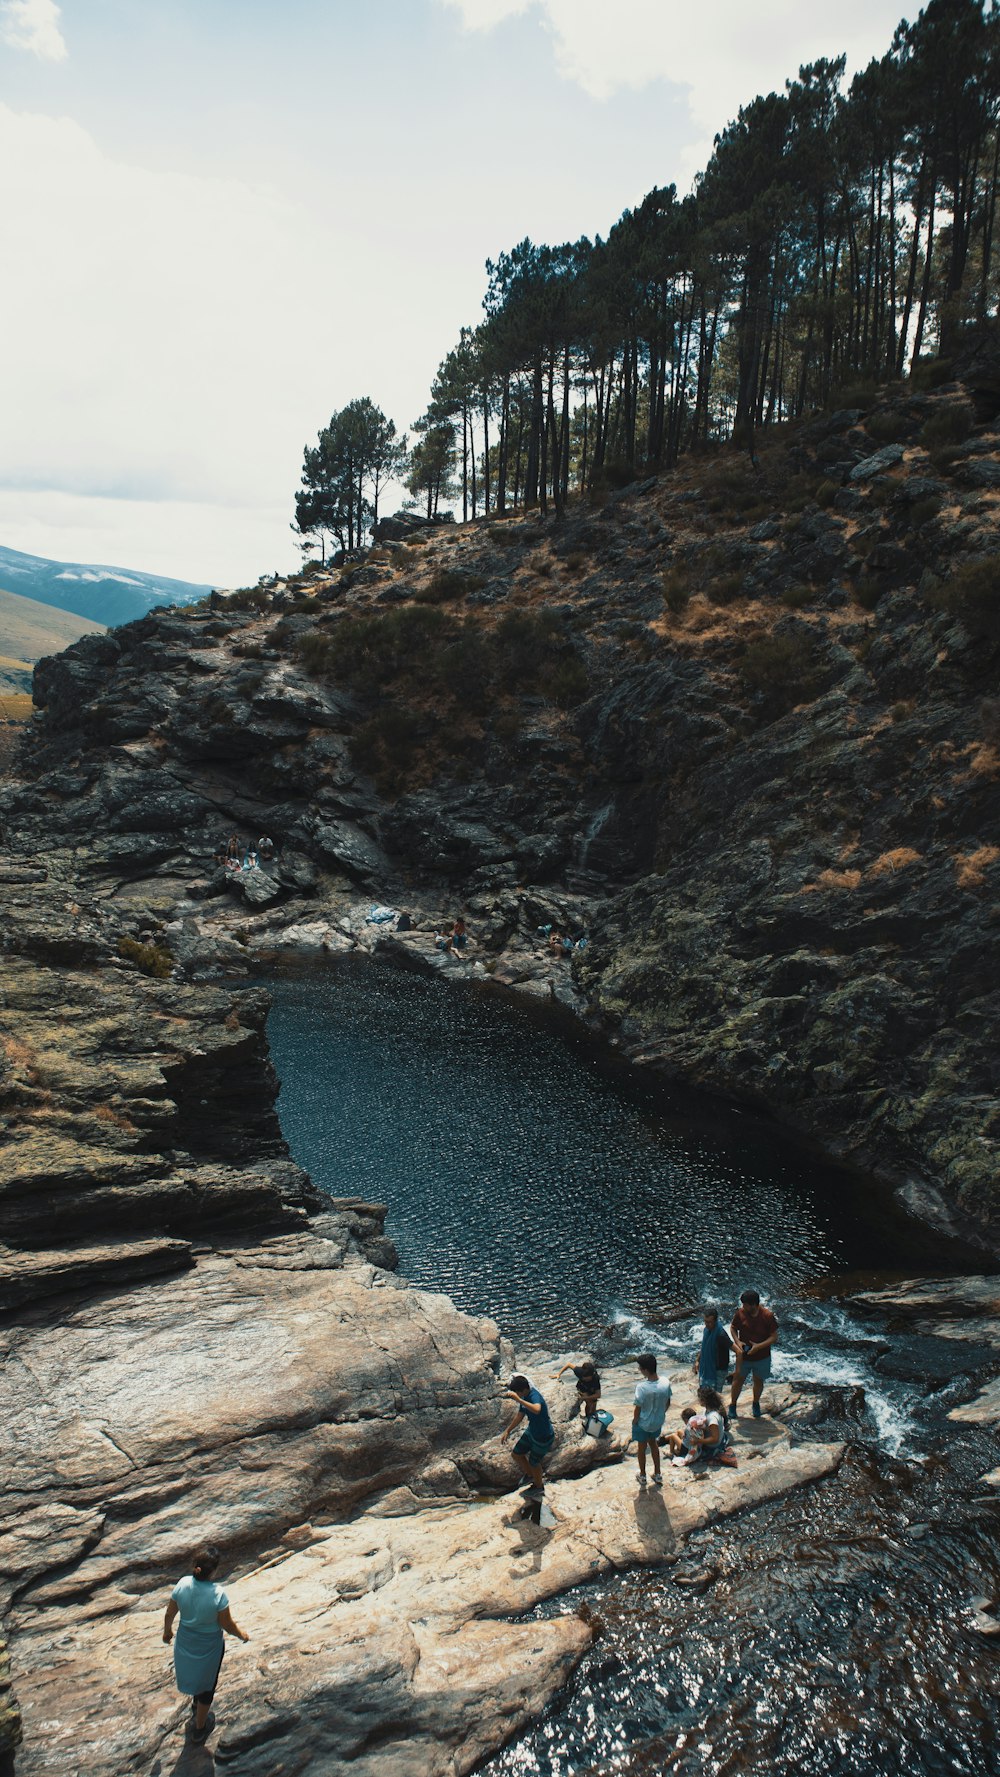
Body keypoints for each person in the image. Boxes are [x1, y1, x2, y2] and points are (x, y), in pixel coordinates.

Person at [162, 1545, 249, 1743]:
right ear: (214, 1571)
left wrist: (167, 1631)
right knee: (207, 1686)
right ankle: (199, 1728)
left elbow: (170, 1613)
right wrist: (241, 1634)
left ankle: (195, 1705)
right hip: (209, 1645)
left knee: (193, 1673)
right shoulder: (218, 1593)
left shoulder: (183, 1584)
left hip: (185, 1640)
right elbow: (226, 1624)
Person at [501, 1374, 555, 1493]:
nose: (517, 1395)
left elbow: (537, 1409)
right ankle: (531, 1476)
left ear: (523, 1390)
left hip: (543, 1436)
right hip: (532, 1431)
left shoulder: (534, 1395)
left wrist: (519, 1399)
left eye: (517, 1393)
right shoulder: (524, 1396)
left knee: (534, 1463)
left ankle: (539, 1487)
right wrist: (508, 1430)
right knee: (516, 1454)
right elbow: (520, 1415)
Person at [730, 1288, 779, 1419]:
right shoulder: (740, 1313)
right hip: (744, 1356)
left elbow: (774, 1337)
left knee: (758, 1380)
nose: (742, 1307)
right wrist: (738, 1342)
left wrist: (758, 1347)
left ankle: (755, 1403)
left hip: (762, 1356)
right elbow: (733, 1328)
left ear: (753, 1305)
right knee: (738, 1380)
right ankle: (733, 1405)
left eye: (745, 1304)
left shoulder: (767, 1316)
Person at [631, 1353, 672, 1487]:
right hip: (657, 1422)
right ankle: (658, 1473)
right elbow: (668, 1401)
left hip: (643, 1423)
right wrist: (661, 1413)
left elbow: (638, 1408)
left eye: (640, 1368)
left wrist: (635, 1420)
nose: (639, 1370)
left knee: (641, 1448)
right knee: (654, 1445)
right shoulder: (665, 1382)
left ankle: (642, 1475)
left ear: (646, 1370)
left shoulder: (641, 1387)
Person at [688, 1386, 735, 1464]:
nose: (698, 1400)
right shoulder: (709, 1410)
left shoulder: (712, 1417)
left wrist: (698, 1441)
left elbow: (715, 1439)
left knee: (684, 1441)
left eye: (699, 1398)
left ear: (704, 1400)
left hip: (712, 1446)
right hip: (716, 1439)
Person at [552, 1358, 601, 1424]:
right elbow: (568, 1365)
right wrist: (558, 1374)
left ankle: (592, 1419)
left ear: (591, 1375)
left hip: (591, 1387)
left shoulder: (595, 1378)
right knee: (589, 1402)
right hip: (582, 1387)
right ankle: (587, 1418)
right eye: (583, 1376)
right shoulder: (579, 1371)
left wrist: (584, 1398)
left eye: (587, 1377)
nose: (584, 1378)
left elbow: (598, 1395)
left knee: (594, 1402)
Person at [696, 1307, 734, 1391]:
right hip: (707, 1367)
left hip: (719, 1371)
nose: (707, 1324)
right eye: (705, 1321)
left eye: (710, 1322)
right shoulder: (707, 1330)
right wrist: (698, 1361)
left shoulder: (721, 1335)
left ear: (715, 1321)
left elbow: (738, 1351)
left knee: (715, 1396)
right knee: (705, 1395)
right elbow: (704, 1347)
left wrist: (737, 1372)